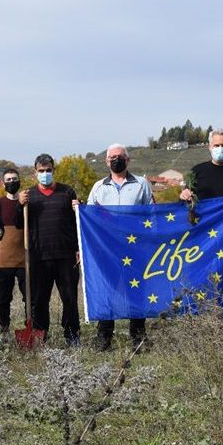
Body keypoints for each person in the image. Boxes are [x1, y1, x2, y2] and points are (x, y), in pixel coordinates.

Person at [87, 143, 155, 351]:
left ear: (128, 159)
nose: (116, 159)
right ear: (106, 161)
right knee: (107, 290)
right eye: (112, 157)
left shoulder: (142, 184)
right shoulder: (99, 187)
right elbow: (89, 217)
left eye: (120, 156)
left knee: (137, 291)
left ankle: (138, 337)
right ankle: (104, 337)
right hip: (107, 250)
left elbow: (151, 214)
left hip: (135, 248)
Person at [17, 153, 81, 346]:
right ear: (35, 172)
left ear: (54, 170)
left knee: (70, 299)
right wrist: (19, 206)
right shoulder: (28, 196)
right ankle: (40, 335)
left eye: (48, 170)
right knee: (39, 301)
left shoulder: (67, 192)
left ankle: (72, 336)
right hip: (38, 257)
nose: (45, 174)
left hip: (66, 256)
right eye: (41, 171)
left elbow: (77, 223)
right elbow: (18, 224)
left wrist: (78, 248)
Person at [0, 168, 26, 333]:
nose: (12, 182)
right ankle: (4, 329)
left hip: (25, 260)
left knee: (29, 298)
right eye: (8, 180)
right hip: (3, 260)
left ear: (19, 180)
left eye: (14, 179)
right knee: (3, 299)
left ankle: (31, 328)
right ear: (2, 183)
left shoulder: (26, 202)